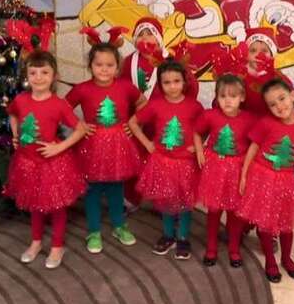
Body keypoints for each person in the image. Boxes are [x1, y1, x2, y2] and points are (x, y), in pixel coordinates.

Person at [66, 27, 147, 254]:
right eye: (99, 64)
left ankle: (119, 226)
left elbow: (143, 103)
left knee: (116, 187)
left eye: (109, 65)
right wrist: (79, 125)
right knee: (92, 189)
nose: (104, 69)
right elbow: (62, 108)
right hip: (92, 146)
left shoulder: (125, 87)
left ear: (117, 67)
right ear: (90, 66)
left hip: (119, 145)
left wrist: (134, 123)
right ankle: (93, 231)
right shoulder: (82, 89)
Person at [4, 50, 86, 269]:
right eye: (33, 73)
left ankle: (57, 245)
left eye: (44, 72)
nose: (38, 77)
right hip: (27, 162)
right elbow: (12, 114)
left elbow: (81, 129)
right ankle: (36, 242)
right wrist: (15, 135)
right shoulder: (21, 100)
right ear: (27, 76)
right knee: (35, 205)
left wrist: (59, 146)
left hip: (52, 164)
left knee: (57, 206)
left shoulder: (59, 104)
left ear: (54, 76)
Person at [237, 78, 294, 282]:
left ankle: (287, 259)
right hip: (262, 175)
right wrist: (244, 174)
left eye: (282, 98)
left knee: (286, 222)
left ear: (292, 95)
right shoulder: (266, 123)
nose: (279, 106)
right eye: (272, 104)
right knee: (265, 222)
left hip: (286, 179)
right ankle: (270, 261)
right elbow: (253, 147)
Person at [129, 58, 204, 260]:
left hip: (186, 163)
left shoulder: (194, 106)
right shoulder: (155, 105)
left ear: (184, 82)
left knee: (185, 202)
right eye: (167, 82)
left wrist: (198, 146)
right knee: (166, 201)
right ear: (160, 84)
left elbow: (205, 128)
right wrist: (147, 144)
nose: (172, 86)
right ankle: (168, 235)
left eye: (176, 81)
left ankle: (183, 238)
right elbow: (133, 122)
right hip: (162, 162)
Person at [194, 74, 254, 267]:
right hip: (215, 168)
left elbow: (255, 144)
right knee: (214, 209)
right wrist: (199, 150)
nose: (228, 100)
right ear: (216, 97)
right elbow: (196, 133)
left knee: (234, 212)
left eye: (233, 96)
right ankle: (211, 247)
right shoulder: (210, 115)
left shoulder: (249, 119)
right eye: (223, 96)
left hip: (238, 170)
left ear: (242, 97)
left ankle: (234, 248)